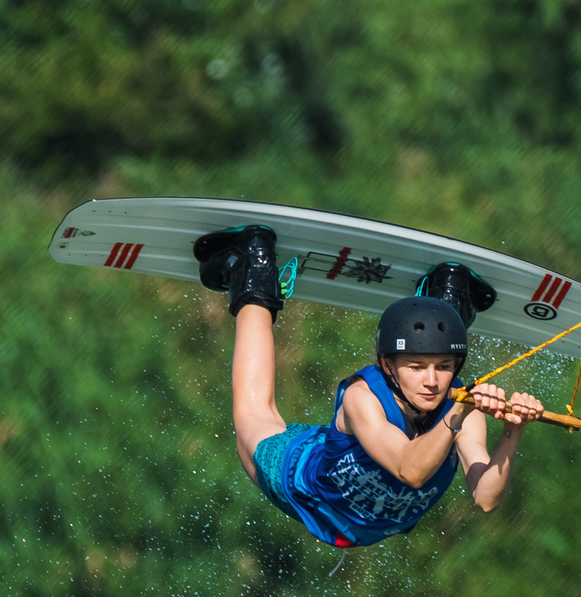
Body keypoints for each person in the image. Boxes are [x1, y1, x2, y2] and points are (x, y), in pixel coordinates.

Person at [197, 224, 549, 548]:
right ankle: (251, 267)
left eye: (444, 367)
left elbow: (486, 497)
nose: (432, 381)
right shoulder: (362, 398)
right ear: (387, 365)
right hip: (305, 489)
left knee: (435, 360)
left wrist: (511, 431)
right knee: (253, 417)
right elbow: (410, 470)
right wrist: (457, 412)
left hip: (367, 512)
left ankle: (446, 298)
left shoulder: (461, 411)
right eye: (416, 367)